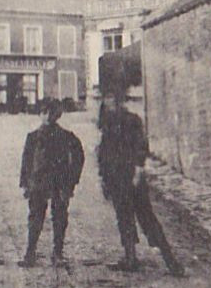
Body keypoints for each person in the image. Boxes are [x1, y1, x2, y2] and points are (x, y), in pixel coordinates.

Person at [98, 94, 185, 276]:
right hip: (116, 180)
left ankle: (171, 262)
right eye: (106, 100)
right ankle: (131, 258)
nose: (109, 103)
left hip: (132, 178)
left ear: (119, 101)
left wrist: (138, 170)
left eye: (112, 100)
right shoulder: (107, 123)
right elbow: (104, 154)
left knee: (147, 218)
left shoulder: (132, 120)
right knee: (124, 218)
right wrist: (104, 180)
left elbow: (141, 146)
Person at [18, 98, 84, 266]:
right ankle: (30, 253)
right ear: (40, 114)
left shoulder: (66, 136)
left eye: (51, 113)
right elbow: (26, 162)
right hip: (38, 183)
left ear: (58, 115)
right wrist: (25, 183)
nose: (47, 116)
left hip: (59, 183)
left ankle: (58, 253)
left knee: (60, 217)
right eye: (44, 112)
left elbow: (79, 158)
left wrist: (71, 181)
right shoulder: (32, 137)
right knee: (35, 218)